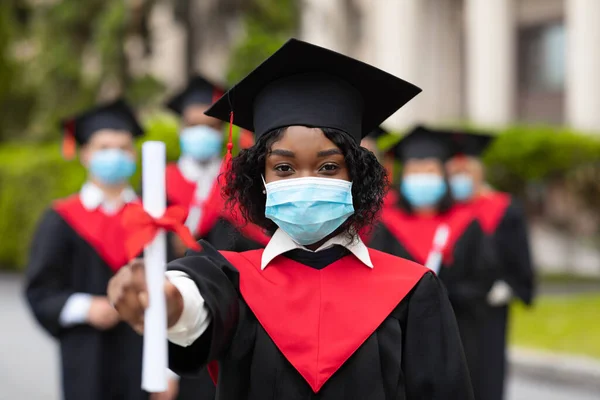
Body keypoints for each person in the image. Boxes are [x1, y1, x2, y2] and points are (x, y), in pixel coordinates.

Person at [108, 38, 475, 400]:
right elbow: (198, 298)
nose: (304, 181)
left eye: (329, 167)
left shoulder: (413, 290)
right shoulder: (233, 279)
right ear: (260, 180)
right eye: (283, 167)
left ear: (356, 177)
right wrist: (171, 299)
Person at [24, 99, 178, 400]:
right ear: (85, 154)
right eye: (104, 147)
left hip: (145, 359)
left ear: (134, 154)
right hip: (86, 357)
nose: (115, 155)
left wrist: (169, 370)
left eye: (123, 148)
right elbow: (40, 290)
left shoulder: (153, 217)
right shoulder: (61, 219)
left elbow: (174, 291)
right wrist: (85, 308)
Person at [367, 125, 499, 399]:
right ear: (404, 177)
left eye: (430, 171)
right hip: (399, 335)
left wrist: (446, 296)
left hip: (458, 333)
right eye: (416, 171)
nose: (422, 178)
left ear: (443, 176)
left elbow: (483, 278)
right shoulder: (386, 225)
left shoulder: (467, 224)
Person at [446, 131, 536, 400]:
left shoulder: (503, 208)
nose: (461, 179)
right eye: (455, 172)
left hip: (488, 308)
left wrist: (510, 285)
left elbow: (519, 254)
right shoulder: (442, 211)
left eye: (466, 172)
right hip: (451, 304)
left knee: (486, 372)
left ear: (478, 172)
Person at [165, 75, 269, 259]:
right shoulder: (162, 180)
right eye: (194, 125)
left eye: (211, 126)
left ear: (222, 131)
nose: (202, 132)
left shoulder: (240, 178)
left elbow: (256, 239)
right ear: (181, 129)